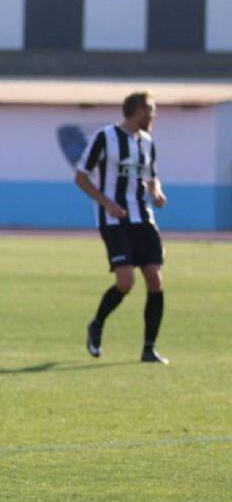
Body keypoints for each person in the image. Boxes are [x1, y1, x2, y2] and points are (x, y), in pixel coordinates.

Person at [75, 91, 169, 364]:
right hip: (114, 220)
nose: (154, 115)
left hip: (144, 218)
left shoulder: (148, 143)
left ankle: (149, 348)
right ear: (139, 110)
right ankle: (97, 324)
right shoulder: (105, 137)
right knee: (125, 282)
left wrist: (157, 192)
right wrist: (106, 203)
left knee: (155, 280)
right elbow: (81, 177)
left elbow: (151, 178)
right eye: (151, 110)